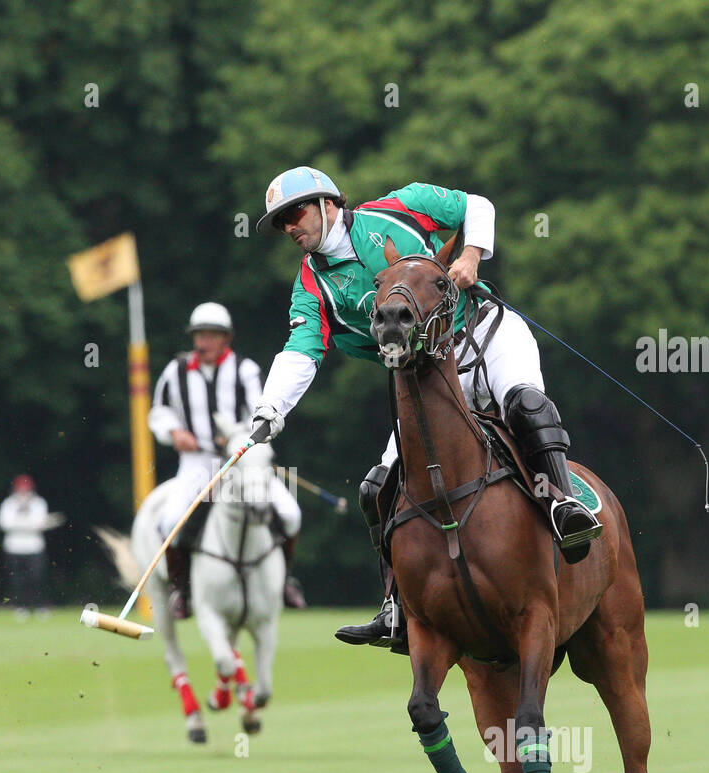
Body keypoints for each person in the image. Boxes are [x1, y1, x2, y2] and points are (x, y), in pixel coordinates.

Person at [249, 168, 602, 652]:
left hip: (482, 335)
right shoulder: (311, 285)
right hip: (427, 379)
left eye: (296, 211)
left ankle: (564, 506)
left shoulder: (400, 207)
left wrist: (472, 255)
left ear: (329, 202)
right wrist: (270, 407)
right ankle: (395, 603)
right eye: (281, 221)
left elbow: (476, 205)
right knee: (378, 487)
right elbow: (301, 350)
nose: (289, 226)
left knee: (528, 405)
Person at [148, 301, 304, 619]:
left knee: (290, 513)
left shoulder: (245, 370)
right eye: (199, 335)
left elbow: (260, 413)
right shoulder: (175, 371)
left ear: (225, 338)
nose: (203, 342)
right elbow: (158, 411)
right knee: (170, 521)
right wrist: (173, 431)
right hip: (197, 463)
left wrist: (236, 438)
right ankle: (182, 590)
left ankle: (285, 581)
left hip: (239, 463)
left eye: (211, 335)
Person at [0, 474, 54, 616]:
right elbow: (4, 524)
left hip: (34, 547)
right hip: (14, 547)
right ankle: (21, 607)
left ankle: (40, 606)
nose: (23, 493)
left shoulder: (38, 503)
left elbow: (39, 524)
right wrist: (28, 524)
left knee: (37, 577)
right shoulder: (9, 504)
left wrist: (20, 523)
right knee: (17, 579)